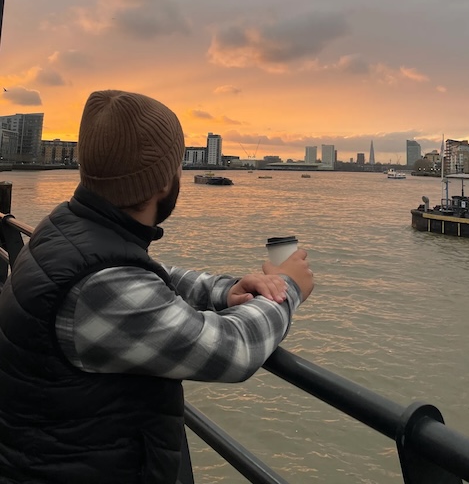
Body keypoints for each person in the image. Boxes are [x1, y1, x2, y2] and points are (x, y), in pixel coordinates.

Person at [0, 90, 314, 484]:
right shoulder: (101, 284)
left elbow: (146, 272)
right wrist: (289, 287)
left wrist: (225, 290)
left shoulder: (66, 226)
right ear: (164, 182)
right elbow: (233, 350)